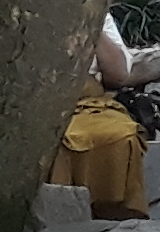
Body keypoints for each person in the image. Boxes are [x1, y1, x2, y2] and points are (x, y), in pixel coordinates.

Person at [45, 12, 151, 220]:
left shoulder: (98, 13)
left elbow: (120, 75)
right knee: (61, 139)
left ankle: (117, 215)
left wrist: (92, 24)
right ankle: (61, 220)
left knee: (122, 135)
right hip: (39, 98)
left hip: (87, 101)